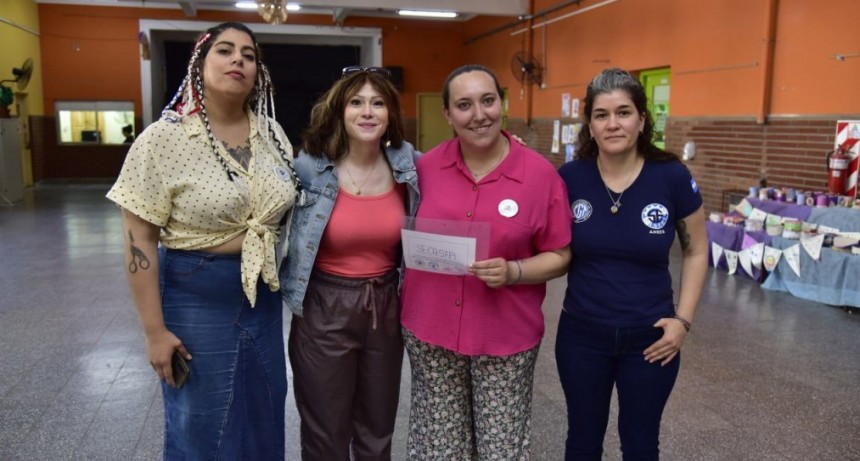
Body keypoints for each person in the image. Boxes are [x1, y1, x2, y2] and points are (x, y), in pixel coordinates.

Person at [106, 22, 299, 460]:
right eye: (225, 51)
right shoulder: (163, 139)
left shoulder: (273, 136)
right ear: (200, 64)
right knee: (200, 421)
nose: (238, 61)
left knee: (264, 412)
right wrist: (155, 332)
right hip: (196, 294)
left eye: (248, 55)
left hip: (263, 297)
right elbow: (139, 241)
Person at [399, 64, 573, 460]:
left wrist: (515, 271)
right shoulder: (422, 170)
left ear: (502, 104)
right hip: (431, 330)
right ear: (447, 114)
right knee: (439, 447)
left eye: (488, 100)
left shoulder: (539, 176)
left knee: (501, 448)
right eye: (464, 105)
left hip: (504, 334)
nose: (479, 114)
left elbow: (561, 254)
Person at [555, 67, 708, 461]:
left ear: (642, 119)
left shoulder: (671, 177)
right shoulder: (570, 178)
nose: (613, 124)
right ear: (589, 123)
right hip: (582, 337)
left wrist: (683, 321)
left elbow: (696, 251)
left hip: (651, 340)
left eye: (623, 112)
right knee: (582, 441)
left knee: (641, 445)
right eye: (601, 115)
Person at [279, 66, 420, 461]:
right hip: (324, 305)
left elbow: (458, 165)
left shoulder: (409, 165)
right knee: (326, 431)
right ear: (340, 111)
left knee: (377, 429)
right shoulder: (309, 167)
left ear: (390, 113)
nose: (368, 112)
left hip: (385, 305)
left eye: (378, 103)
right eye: (356, 103)